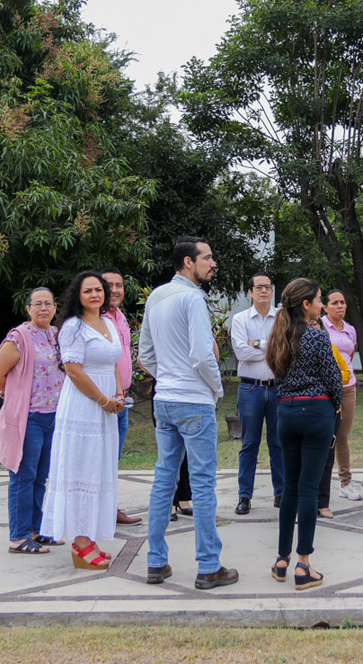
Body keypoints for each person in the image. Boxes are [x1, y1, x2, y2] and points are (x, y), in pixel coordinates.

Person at [138, 237, 238, 590]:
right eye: (207, 258)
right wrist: (216, 388)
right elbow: (202, 354)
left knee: (164, 479)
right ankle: (209, 565)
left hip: (164, 399)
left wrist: (167, 377)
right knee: (202, 482)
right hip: (193, 400)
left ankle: (156, 561)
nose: (213, 263)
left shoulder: (156, 296)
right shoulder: (192, 298)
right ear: (187, 262)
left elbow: (145, 355)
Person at [40, 272, 124, 570]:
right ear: (78, 295)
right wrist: (103, 400)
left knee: (98, 470)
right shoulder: (73, 327)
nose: (94, 295)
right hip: (83, 406)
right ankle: (79, 541)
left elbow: (113, 362)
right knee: (80, 469)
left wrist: (118, 393)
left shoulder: (108, 323)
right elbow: (74, 371)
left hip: (106, 407)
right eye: (88, 290)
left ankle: (89, 535)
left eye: (98, 289)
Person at [266, 278, 342, 590]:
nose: (322, 305)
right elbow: (333, 378)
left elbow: (277, 375)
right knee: (309, 489)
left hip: (286, 412)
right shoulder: (318, 337)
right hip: (316, 412)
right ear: (306, 304)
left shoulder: (277, 336)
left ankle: (281, 559)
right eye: (319, 300)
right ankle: (303, 565)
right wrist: (335, 409)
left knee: (290, 488)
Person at [0, 287, 64, 555]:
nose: (43, 308)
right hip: (29, 418)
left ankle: (35, 529)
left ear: (55, 307)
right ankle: (19, 537)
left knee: (40, 478)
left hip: (53, 417)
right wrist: (12, 392)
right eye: (37, 304)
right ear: (28, 309)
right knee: (23, 477)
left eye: (48, 303)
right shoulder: (19, 337)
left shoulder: (57, 335)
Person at [229, 272, 284, 515]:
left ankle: (281, 493)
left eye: (268, 287)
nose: (264, 290)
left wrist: (256, 344)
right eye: (259, 287)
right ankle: (244, 496)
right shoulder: (240, 319)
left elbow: (285, 349)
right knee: (249, 443)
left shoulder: (282, 317)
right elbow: (241, 352)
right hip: (250, 388)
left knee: (278, 443)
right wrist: (271, 348)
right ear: (250, 292)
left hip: (278, 387)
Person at [318, 288, 363, 515]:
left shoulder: (350, 330)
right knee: (326, 437)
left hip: (348, 387)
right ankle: (319, 487)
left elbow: (349, 354)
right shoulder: (319, 327)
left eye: (343, 302)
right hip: (326, 389)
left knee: (342, 436)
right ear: (325, 306)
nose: (340, 306)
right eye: (335, 303)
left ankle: (345, 483)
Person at [101, 267, 142, 526]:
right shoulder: (95, 319)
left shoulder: (121, 317)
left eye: (119, 285)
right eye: (109, 285)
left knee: (112, 459)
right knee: (100, 459)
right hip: (103, 400)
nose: (115, 290)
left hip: (122, 399)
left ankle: (109, 508)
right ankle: (99, 513)